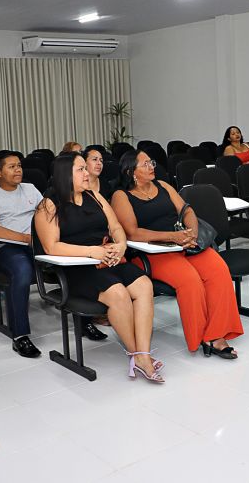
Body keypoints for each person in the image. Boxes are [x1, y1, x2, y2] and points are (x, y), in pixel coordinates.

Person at [35, 152, 163, 382]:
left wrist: (121, 245)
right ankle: (139, 355)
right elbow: (51, 246)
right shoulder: (49, 205)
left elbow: (115, 227)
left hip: (106, 261)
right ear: (66, 174)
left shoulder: (95, 196)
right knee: (118, 293)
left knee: (144, 284)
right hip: (76, 269)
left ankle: (142, 352)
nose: (87, 173)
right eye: (81, 169)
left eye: (86, 168)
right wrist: (91, 251)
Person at [111, 151, 243, 359]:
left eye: (151, 162)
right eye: (145, 164)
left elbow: (187, 211)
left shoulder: (163, 186)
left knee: (219, 270)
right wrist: (172, 236)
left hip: (183, 244)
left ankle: (217, 335)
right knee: (189, 280)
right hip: (151, 252)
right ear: (131, 172)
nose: (151, 166)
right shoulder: (121, 196)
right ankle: (200, 337)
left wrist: (192, 234)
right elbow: (133, 232)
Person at [0, 151, 42, 358]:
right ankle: (20, 335)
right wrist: (26, 239)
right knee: (22, 271)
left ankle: (85, 321)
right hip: (7, 248)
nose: (18, 170)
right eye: (12, 166)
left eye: (19, 166)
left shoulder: (30, 189)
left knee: (70, 260)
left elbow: (47, 214)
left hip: (37, 243)